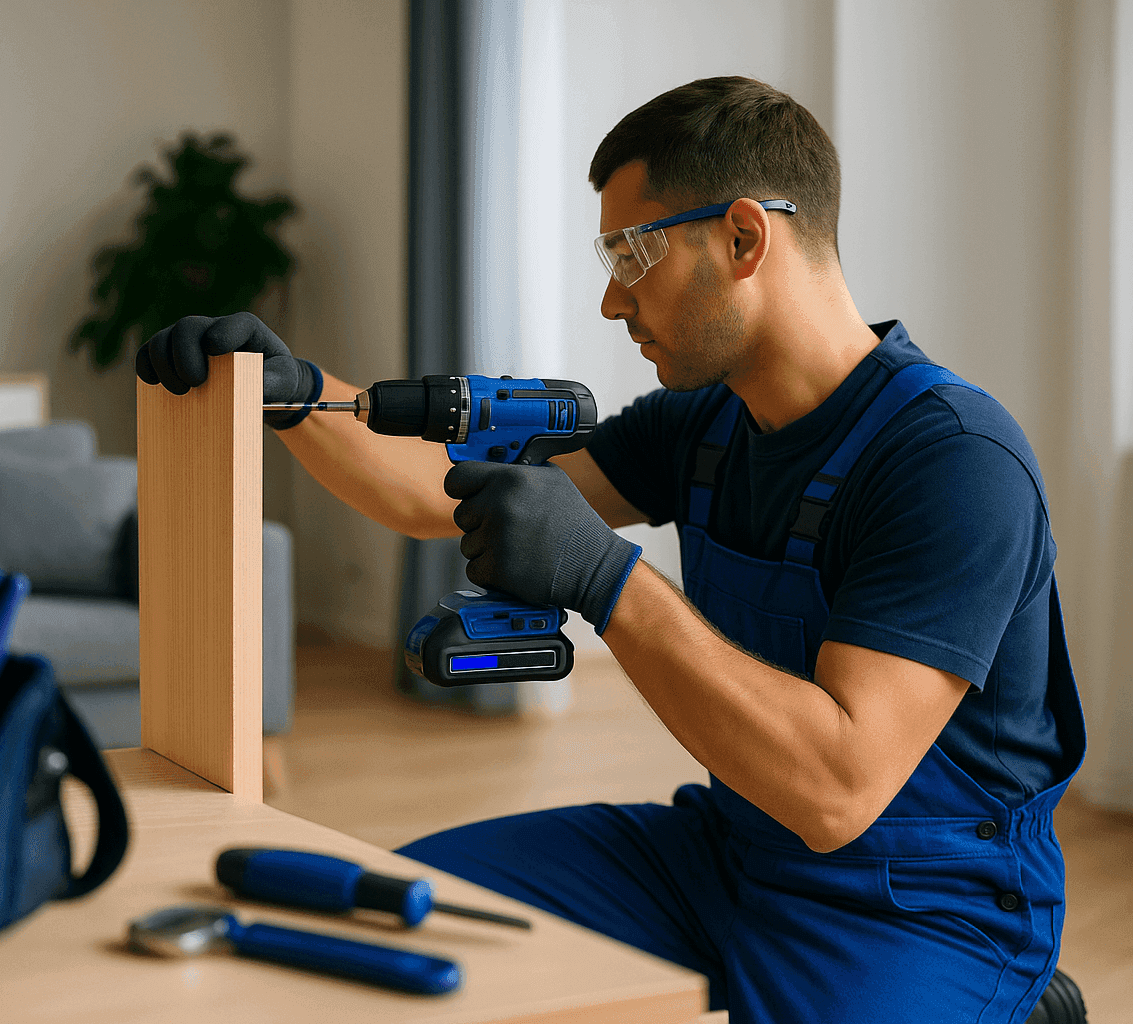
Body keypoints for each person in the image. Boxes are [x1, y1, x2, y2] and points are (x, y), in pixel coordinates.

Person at [136, 76, 1085, 1024]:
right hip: (730, 854)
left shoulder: (954, 462)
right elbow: (435, 491)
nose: (608, 301)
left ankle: (1020, 1008)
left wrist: (604, 579)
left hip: (923, 909)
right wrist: (293, 392)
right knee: (401, 916)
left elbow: (838, 788)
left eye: (632, 252)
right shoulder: (706, 425)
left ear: (746, 239)